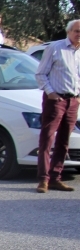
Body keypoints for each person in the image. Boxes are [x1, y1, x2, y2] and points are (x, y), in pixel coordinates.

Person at [34, 19, 80, 193]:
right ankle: (43, 179)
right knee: (47, 139)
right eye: (76, 31)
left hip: (73, 101)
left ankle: (55, 177)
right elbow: (41, 73)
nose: (79, 35)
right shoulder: (55, 48)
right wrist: (51, 93)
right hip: (55, 100)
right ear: (69, 32)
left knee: (64, 141)